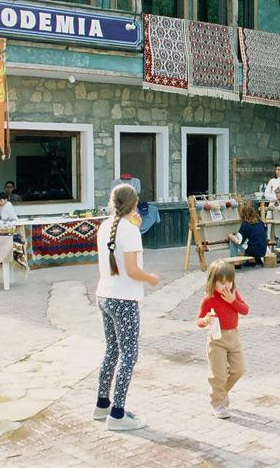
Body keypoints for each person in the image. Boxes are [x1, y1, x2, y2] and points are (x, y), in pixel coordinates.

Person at [93, 183, 161, 431]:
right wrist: (151, 278)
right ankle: (118, 413)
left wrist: (134, 224)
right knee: (129, 354)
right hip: (124, 298)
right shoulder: (130, 231)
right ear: (134, 203)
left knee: (112, 351)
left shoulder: (105, 226)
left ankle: (102, 404)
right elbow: (132, 270)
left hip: (104, 294)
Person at [196, 260, 249, 419]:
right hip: (216, 339)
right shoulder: (209, 299)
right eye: (222, 282)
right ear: (213, 282)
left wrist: (233, 300)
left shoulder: (233, 294)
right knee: (218, 375)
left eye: (229, 281)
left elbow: (245, 310)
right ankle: (217, 403)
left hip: (234, 338)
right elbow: (199, 321)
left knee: (239, 369)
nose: (227, 286)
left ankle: (221, 393)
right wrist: (205, 320)